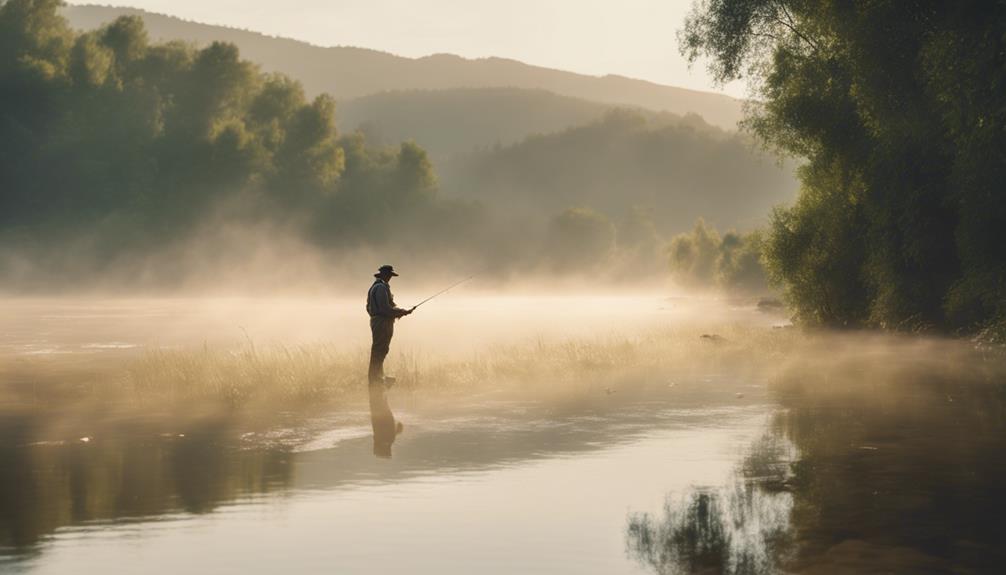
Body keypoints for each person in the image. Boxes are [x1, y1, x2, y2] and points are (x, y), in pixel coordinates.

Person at [366, 264, 413, 386]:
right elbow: (385, 309)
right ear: (383, 275)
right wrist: (402, 312)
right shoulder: (381, 288)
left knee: (380, 349)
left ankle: (377, 377)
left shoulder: (374, 287)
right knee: (380, 349)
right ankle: (375, 379)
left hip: (377, 321)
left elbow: (368, 307)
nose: (390, 277)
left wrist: (401, 311)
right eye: (389, 275)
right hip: (382, 322)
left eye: (390, 276)